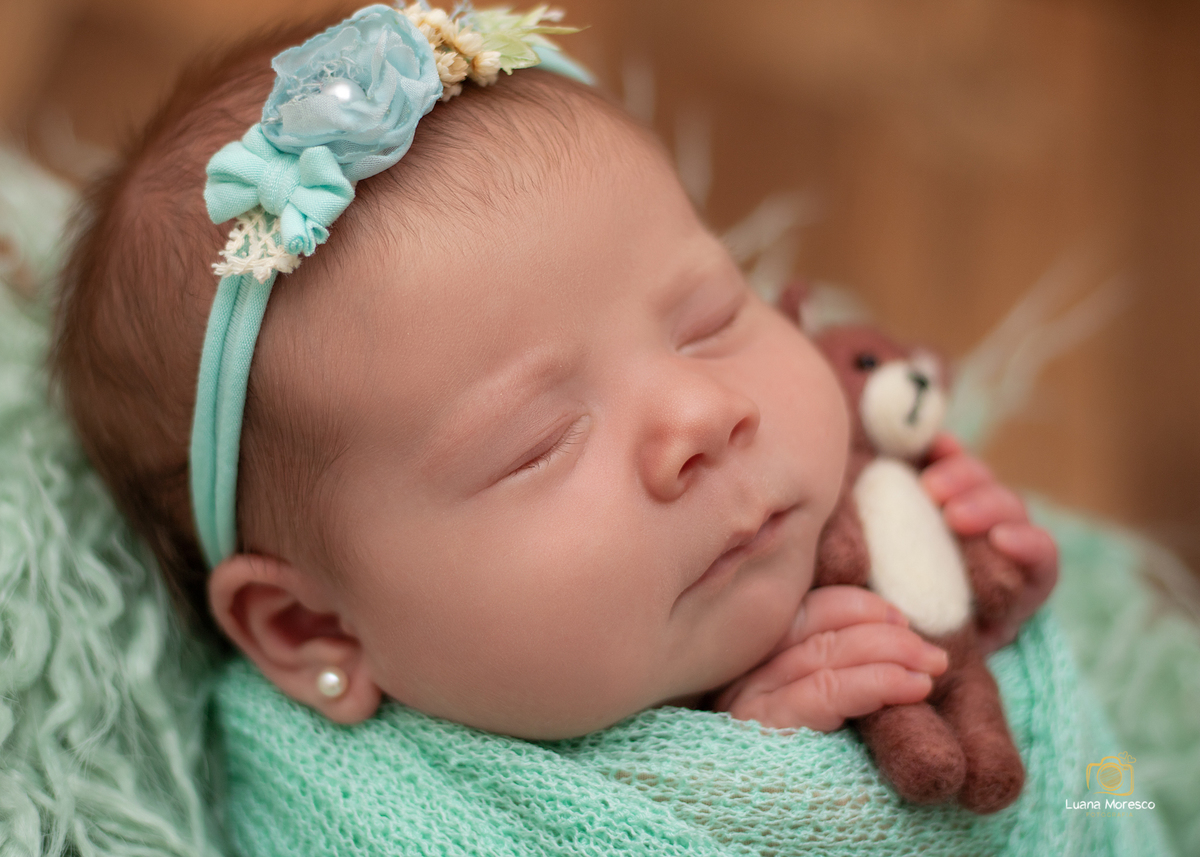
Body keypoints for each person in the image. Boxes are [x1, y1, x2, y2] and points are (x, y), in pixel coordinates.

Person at [52, 1, 1055, 763]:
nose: (705, 413)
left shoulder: (858, 489)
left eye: (709, 320)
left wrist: (984, 600)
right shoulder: (374, 800)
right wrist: (756, 778)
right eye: (539, 440)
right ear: (314, 625)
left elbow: (1110, 778)